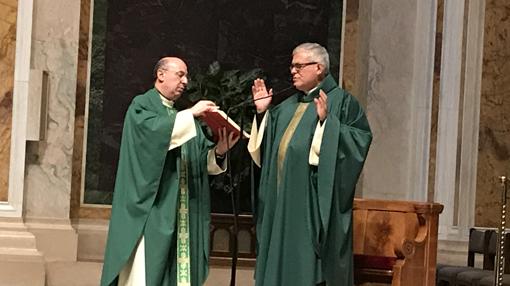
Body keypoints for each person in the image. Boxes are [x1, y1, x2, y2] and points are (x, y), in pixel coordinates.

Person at [100, 57, 239, 286]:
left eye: (186, 76)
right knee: (145, 271)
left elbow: (200, 161)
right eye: (180, 74)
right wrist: (191, 114)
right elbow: (151, 137)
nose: (185, 81)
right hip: (153, 206)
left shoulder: (183, 116)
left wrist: (220, 151)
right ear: (161, 74)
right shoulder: (142, 106)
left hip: (181, 210)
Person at [248, 43, 372, 285]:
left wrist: (328, 124)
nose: (292, 71)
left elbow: (359, 143)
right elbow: (266, 153)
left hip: (310, 206)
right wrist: (263, 113)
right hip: (281, 204)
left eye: (298, 65)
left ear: (319, 68)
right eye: (291, 66)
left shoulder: (342, 103)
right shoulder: (285, 108)